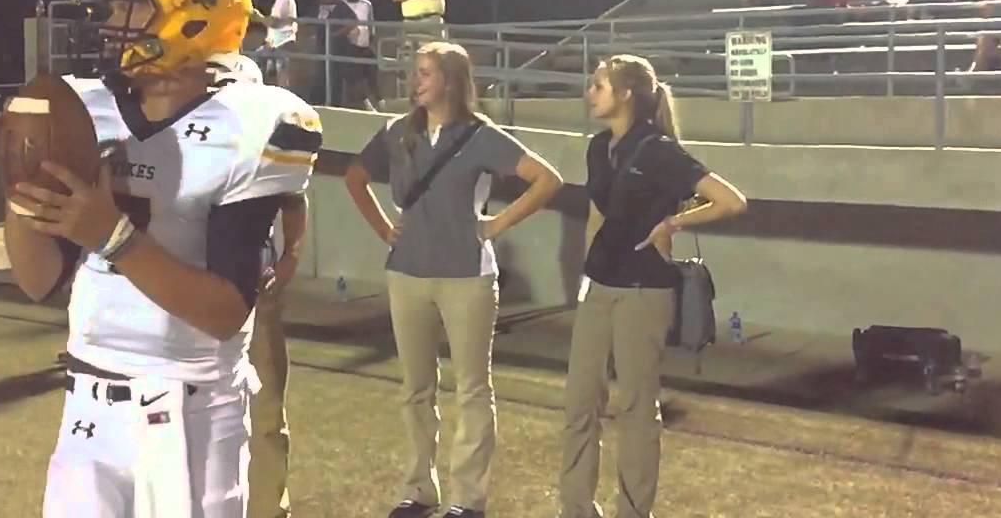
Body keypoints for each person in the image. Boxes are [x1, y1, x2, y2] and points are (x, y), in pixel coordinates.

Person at [0, 0, 323, 518]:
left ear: (194, 18)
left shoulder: (254, 120)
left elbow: (224, 312)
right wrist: (20, 187)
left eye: (130, 6)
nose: (112, 22)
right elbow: (36, 279)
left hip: (188, 413)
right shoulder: (83, 107)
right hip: (87, 403)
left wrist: (112, 237)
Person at [344, 41, 563, 518]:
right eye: (415, 72)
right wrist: (384, 229)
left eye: (425, 73)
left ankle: (468, 500)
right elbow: (354, 176)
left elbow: (547, 179)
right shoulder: (398, 131)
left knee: (472, 389)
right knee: (415, 388)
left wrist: (494, 226)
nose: (415, 81)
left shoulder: (481, 135)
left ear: (451, 80)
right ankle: (418, 490)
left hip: (468, 276)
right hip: (406, 273)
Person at [558, 55, 746, 518]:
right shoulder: (599, 147)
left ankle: (633, 512)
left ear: (626, 95)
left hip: (644, 289)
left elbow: (731, 200)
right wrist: (586, 272)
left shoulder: (659, 149)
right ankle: (575, 508)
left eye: (599, 85)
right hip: (599, 285)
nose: (590, 93)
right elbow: (598, 214)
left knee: (637, 410)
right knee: (579, 402)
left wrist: (672, 223)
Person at [206, 52, 304, 518]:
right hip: (191, 288)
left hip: (253, 286)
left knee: (264, 411)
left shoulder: (264, 137)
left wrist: (290, 257)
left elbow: (294, 199)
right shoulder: (182, 131)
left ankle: (267, 508)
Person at [310, 0, 359, 107]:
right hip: (321, 46)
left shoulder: (340, 4)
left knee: (335, 77)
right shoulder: (319, 4)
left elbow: (354, 21)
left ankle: (335, 105)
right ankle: (318, 103)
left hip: (336, 48)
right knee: (321, 75)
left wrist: (337, 34)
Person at [252, 0, 298, 89]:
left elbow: (274, 23)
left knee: (280, 73)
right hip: (278, 42)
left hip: (282, 42)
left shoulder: (283, 0)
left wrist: (258, 17)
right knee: (277, 71)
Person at [341, 0, 381, 109]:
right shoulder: (342, 5)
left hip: (365, 45)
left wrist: (371, 39)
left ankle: (379, 100)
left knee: (373, 69)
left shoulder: (365, 4)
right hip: (350, 47)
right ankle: (364, 103)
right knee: (355, 75)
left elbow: (371, 23)